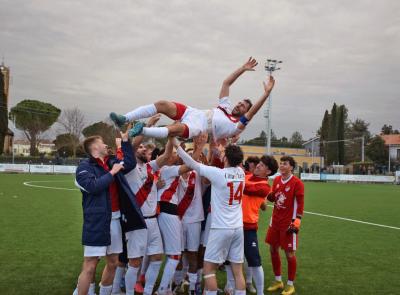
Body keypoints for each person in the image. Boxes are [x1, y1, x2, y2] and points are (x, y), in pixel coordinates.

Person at [109, 58, 275, 141]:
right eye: (240, 102)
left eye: (243, 106)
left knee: (174, 129)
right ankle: (125, 118)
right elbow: (226, 83)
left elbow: (252, 113)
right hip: (195, 113)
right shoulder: (224, 107)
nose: (239, 105)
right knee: (162, 104)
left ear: (245, 112)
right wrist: (242, 69)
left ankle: (142, 130)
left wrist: (266, 94)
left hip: (200, 127)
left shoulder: (236, 127)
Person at [172, 134, 247, 295]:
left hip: (221, 228)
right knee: (238, 270)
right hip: (238, 228)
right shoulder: (241, 173)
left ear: (226, 158)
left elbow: (191, 163)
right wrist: (224, 149)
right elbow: (233, 158)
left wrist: (176, 144)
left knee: (209, 269)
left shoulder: (218, 174)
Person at [74, 129, 145, 295]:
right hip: (97, 222)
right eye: (102, 142)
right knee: (90, 266)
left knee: (113, 262)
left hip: (115, 219)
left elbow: (130, 163)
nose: (106, 144)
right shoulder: (84, 167)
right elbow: (93, 187)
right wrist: (112, 172)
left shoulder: (111, 161)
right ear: (94, 148)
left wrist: (126, 141)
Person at [123, 131, 175, 295]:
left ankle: (148, 291)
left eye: (146, 148)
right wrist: (147, 127)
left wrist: (172, 135)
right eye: (141, 147)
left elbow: (167, 154)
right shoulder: (129, 168)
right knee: (134, 262)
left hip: (152, 221)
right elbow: (130, 148)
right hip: (137, 221)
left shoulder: (151, 167)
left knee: (157, 257)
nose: (144, 149)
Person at [265, 156, 305, 295]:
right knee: (273, 249)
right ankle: (278, 280)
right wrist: (270, 195)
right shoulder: (276, 180)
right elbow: (273, 196)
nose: (282, 166)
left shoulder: (297, 183)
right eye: (281, 163)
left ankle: (290, 284)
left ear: (292, 167)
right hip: (275, 221)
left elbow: (300, 203)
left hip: (288, 223)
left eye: (285, 164)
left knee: (289, 254)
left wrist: (297, 220)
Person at [242, 156, 278, 295]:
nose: (258, 166)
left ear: (268, 172)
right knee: (232, 259)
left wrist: (236, 180)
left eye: (262, 165)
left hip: (249, 227)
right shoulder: (247, 176)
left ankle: (260, 292)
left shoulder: (264, 187)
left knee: (254, 260)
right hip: (233, 224)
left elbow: (245, 188)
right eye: (259, 164)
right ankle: (232, 286)